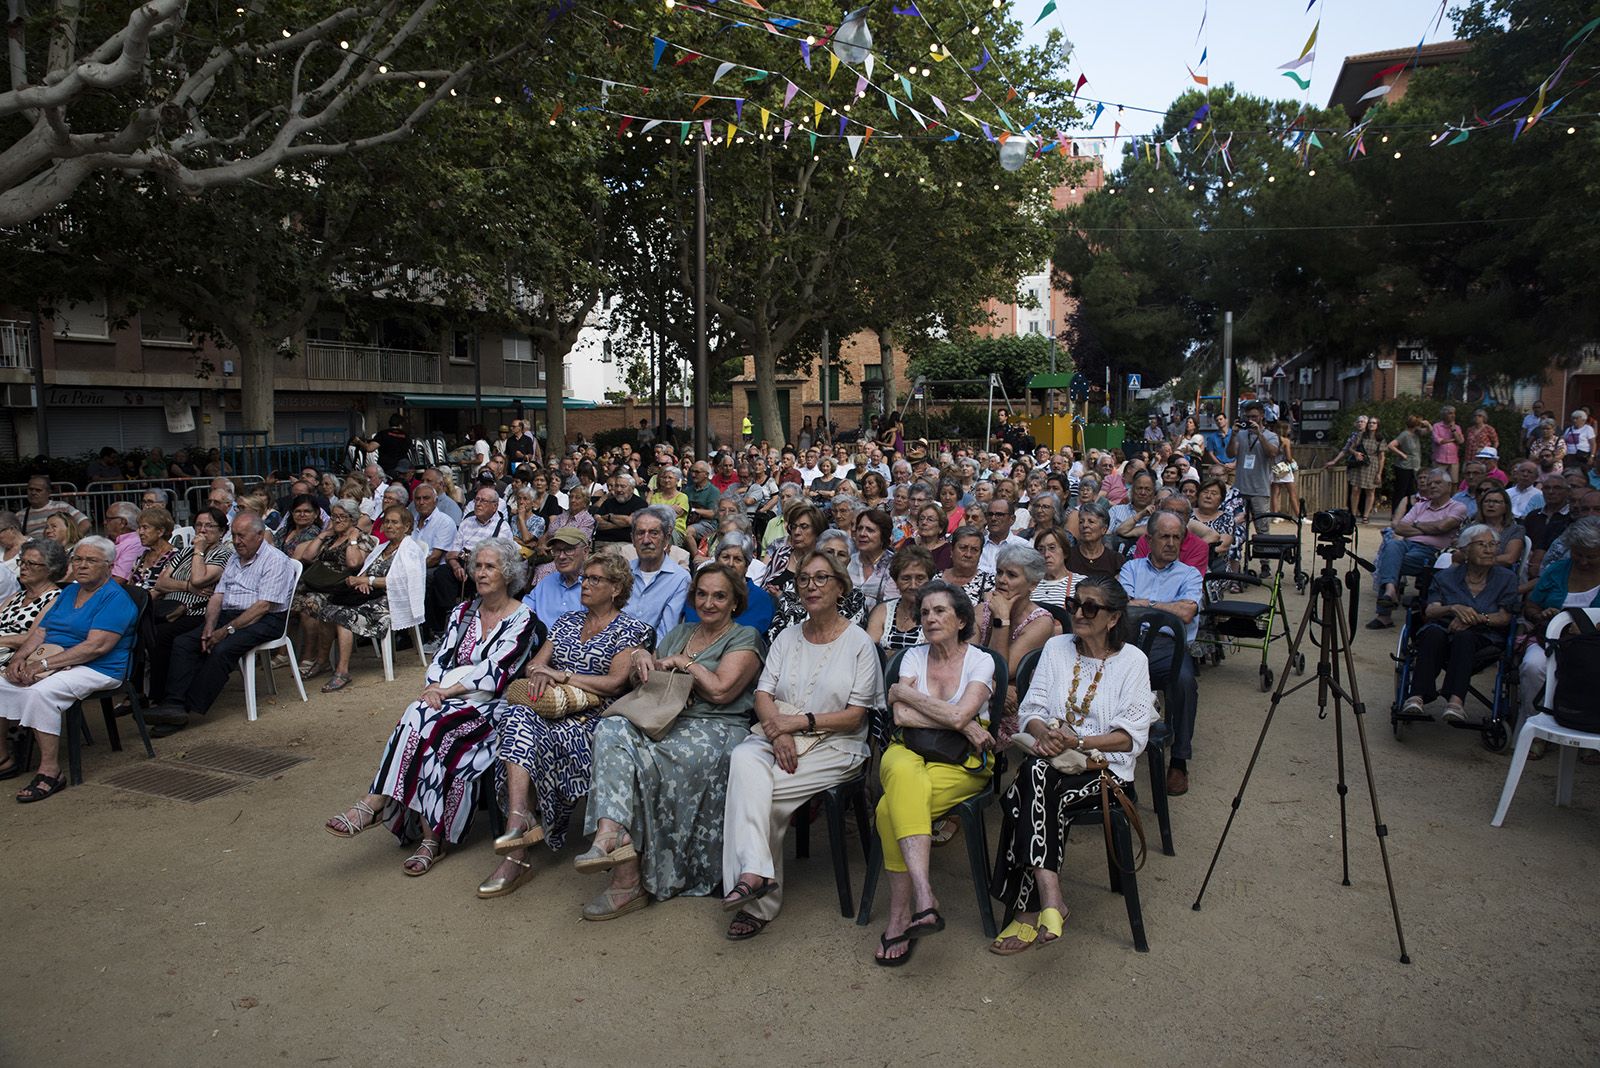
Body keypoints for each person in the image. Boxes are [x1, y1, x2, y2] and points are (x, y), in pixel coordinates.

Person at [323, 539, 543, 875]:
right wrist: (432, 687)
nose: (481, 573)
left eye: (490, 567)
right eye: (478, 566)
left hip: (491, 711)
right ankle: (431, 837)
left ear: (508, 573)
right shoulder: (462, 612)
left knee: (423, 720)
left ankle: (378, 801)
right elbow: (441, 658)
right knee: (425, 720)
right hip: (447, 703)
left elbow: (497, 671)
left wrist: (445, 690)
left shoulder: (522, 619)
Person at [572, 565, 766, 920]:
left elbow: (722, 691)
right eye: (702, 594)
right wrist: (641, 660)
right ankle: (609, 834)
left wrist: (684, 664)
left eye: (719, 595)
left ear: (735, 602)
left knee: (653, 759)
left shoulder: (745, 637)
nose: (709, 603)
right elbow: (650, 685)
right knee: (611, 728)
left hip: (718, 727)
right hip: (668, 719)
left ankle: (627, 881)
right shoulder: (680, 632)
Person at [719, 550, 884, 940]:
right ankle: (755, 876)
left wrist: (798, 723)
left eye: (822, 578)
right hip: (779, 734)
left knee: (759, 795)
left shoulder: (859, 643)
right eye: (805, 578)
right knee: (742, 754)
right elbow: (763, 693)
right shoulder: (788, 636)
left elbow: (855, 717)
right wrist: (779, 732)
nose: (811, 586)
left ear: (841, 586)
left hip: (837, 745)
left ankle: (755, 897)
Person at [989, 575, 1158, 954]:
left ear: (1113, 618)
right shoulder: (1057, 648)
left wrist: (1076, 741)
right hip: (1052, 762)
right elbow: (1031, 710)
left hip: (1104, 772)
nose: (1079, 613)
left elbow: (1130, 738)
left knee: (1021, 797)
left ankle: (1030, 911)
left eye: (1090, 607)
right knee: (1036, 776)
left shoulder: (1133, 661)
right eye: (1075, 604)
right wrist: (1043, 732)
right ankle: (1052, 899)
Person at [481, 551, 652, 896]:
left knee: (529, 729)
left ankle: (517, 851)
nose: (585, 584)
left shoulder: (631, 629)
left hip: (594, 718)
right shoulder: (567, 622)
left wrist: (563, 676)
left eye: (595, 579)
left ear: (616, 587)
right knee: (518, 715)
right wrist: (542, 674)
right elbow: (535, 665)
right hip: (549, 708)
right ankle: (519, 820)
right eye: (585, 578)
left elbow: (616, 684)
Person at [872, 580, 997, 964]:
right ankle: (924, 897)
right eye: (924, 612)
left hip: (962, 761)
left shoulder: (980, 661)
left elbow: (950, 711)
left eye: (940, 611)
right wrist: (961, 722)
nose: (930, 618)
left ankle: (899, 916)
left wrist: (906, 693)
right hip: (906, 749)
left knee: (887, 811)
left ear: (962, 619)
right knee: (902, 777)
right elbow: (901, 717)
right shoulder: (913, 657)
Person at [0, 537, 138, 800]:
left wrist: (41, 665)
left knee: (39, 693)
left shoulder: (115, 598)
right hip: (55, 659)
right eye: (77, 559)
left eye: (91, 560)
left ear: (109, 565)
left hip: (99, 668)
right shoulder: (69, 592)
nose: (82, 565)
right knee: (2, 682)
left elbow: (95, 648)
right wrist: (19, 658)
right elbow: (41, 631)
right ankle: (4, 759)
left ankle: (51, 771)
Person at [143, 514, 299, 734]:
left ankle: (185, 709)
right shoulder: (236, 558)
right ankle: (173, 703)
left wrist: (225, 631)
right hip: (230, 613)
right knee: (185, 642)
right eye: (234, 535)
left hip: (265, 619)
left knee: (222, 649)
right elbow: (217, 596)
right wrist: (209, 625)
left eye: (242, 536)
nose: (236, 541)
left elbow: (262, 607)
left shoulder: (275, 560)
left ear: (259, 536)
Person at [1398, 526, 1520, 723]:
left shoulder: (1507, 579)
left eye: (1493, 544)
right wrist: (1453, 608)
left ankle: (1455, 702)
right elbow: (1430, 611)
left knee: (1465, 636)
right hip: (1442, 630)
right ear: (1464, 550)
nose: (1489, 550)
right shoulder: (1445, 577)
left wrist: (1474, 618)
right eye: (1482, 545)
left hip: (1484, 636)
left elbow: (1504, 617)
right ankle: (1417, 696)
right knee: (1432, 634)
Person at [1119, 511, 1202, 795]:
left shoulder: (1189, 574)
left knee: (1184, 682)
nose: (1170, 542)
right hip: (1129, 642)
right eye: (1164, 536)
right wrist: (1167, 605)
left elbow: (1187, 612)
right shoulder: (1131, 568)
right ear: (1149, 539)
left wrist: (1147, 603)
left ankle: (1179, 759)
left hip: (1168, 647)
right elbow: (1124, 607)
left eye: (1176, 537)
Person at [318, 506, 426, 693]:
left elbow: (403, 581)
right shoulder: (383, 547)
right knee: (326, 610)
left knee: (344, 616)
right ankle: (322, 661)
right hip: (371, 596)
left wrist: (368, 581)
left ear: (406, 526)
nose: (389, 526)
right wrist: (363, 582)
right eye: (387, 522)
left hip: (392, 601)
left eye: (395, 522)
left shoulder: (410, 549)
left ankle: (342, 671)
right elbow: (366, 569)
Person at [1518, 516, 1600, 752]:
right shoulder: (1556, 570)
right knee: (1533, 666)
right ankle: (1538, 727)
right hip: (1552, 641)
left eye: (1591, 556)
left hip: (1593, 647)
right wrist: (1542, 615)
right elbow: (1531, 605)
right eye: (1578, 554)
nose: (1583, 561)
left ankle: (1590, 728)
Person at [1368, 470, 1469, 629]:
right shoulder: (1421, 505)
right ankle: (1390, 589)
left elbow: (1443, 526)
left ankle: (1385, 611)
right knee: (1392, 545)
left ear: (1449, 486)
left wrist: (1416, 526)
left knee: (1390, 561)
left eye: (1437, 483)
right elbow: (1400, 528)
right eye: (1430, 484)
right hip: (1407, 546)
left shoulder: (1457, 507)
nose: (1432, 486)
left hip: (1431, 551)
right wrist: (1432, 528)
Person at [289, 499, 374, 679]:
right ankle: (288, 654)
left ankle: (311, 657)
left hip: (339, 588)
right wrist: (323, 535)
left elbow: (353, 563)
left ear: (353, 519)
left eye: (342, 517)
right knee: (289, 604)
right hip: (318, 583)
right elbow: (307, 556)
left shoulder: (362, 539)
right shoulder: (331, 537)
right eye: (334, 516)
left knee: (309, 605)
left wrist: (351, 540)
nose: (337, 520)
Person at [424, 486, 510, 643]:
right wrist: (456, 565)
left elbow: (497, 558)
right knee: (441, 574)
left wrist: (469, 559)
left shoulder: (502, 527)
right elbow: (452, 553)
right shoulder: (466, 523)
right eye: (476, 500)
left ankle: (468, 623)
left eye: (483, 501)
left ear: (494, 506)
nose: (478, 504)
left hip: (484, 569)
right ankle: (449, 618)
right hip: (462, 566)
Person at [625, 506, 691, 639]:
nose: (646, 540)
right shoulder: (622, 572)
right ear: (632, 539)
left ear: (666, 538)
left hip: (652, 654)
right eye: (640, 533)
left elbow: (666, 632)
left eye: (654, 533)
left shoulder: (679, 579)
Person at [0, 539, 66, 670]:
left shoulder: (56, 598)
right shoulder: (16, 596)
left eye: (31, 563)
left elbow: (30, 638)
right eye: (22, 562)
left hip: (15, 656)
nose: (23, 567)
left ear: (50, 569)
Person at [522, 527, 589, 631]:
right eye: (557, 550)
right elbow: (523, 612)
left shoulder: (596, 586)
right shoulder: (546, 582)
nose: (561, 556)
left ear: (585, 552)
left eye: (569, 549)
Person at [1229, 401, 1281, 531]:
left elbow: (1272, 453)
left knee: (1262, 529)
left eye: (1254, 417)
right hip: (1240, 489)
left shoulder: (1271, 436)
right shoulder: (1241, 434)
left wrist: (1259, 435)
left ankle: (1260, 552)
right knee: (1237, 528)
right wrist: (1233, 435)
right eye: (1248, 417)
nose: (1251, 420)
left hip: (1260, 490)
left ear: (1262, 416)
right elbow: (1230, 453)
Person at [849, 508, 896, 612]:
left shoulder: (895, 565)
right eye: (860, 528)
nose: (862, 534)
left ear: (883, 536)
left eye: (870, 530)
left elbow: (892, 605)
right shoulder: (847, 561)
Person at [1066, 499, 1125, 579]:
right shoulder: (1068, 556)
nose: (1085, 525)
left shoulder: (1116, 560)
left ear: (1104, 529)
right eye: (1081, 522)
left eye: (1091, 522)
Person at [18, 475, 89, 539]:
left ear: (48, 493)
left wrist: (70, 540)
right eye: (30, 489)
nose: (33, 493)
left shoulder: (62, 507)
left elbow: (85, 523)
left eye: (38, 490)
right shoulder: (20, 515)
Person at [1474, 486, 1526, 572]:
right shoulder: (1472, 528)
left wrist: (1477, 561)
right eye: (1487, 501)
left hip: (1499, 573)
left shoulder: (1515, 529)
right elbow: (1457, 552)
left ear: (1506, 507)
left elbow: (1509, 558)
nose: (1490, 505)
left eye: (1496, 502)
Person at [126, 507, 178, 592]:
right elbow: (130, 584)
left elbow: (161, 591)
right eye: (139, 528)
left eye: (145, 528)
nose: (140, 532)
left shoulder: (174, 556)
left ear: (160, 531)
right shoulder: (142, 556)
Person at [940, 526, 994, 604]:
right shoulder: (936, 578)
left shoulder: (989, 583)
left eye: (974, 550)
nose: (968, 554)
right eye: (963, 548)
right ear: (951, 550)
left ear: (980, 554)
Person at [1432, 406, 1466, 483]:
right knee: (1438, 481)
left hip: (1453, 460)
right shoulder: (1436, 426)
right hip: (1440, 459)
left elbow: (1460, 441)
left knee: (1454, 482)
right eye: (1450, 413)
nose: (1453, 415)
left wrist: (1453, 429)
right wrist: (1453, 440)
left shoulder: (1457, 427)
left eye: (1454, 413)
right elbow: (1438, 441)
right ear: (1444, 415)